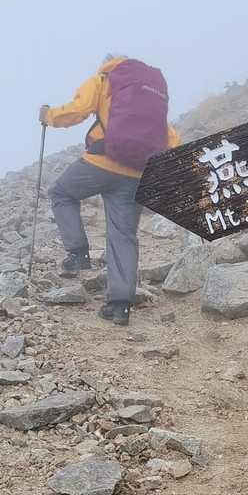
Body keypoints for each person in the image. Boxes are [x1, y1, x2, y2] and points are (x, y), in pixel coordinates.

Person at [41, 55, 180, 326]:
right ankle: (120, 306)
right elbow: (170, 138)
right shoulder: (149, 94)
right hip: (136, 173)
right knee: (123, 235)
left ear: (108, 64)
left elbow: (78, 109)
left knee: (61, 193)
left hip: (100, 164)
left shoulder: (103, 80)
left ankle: (78, 254)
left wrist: (49, 116)